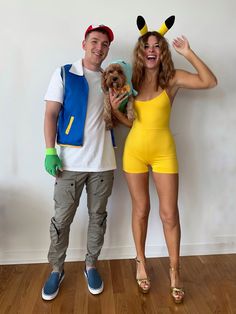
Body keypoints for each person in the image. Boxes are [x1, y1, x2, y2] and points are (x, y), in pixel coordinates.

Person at [110, 17, 217, 303]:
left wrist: (189, 52)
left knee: (169, 215)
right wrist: (114, 109)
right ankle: (141, 263)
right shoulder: (130, 79)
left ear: (163, 51)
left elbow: (210, 81)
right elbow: (126, 123)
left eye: (157, 46)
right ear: (140, 51)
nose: (151, 50)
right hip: (134, 151)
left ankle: (174, 270)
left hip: (164, 152)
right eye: (147, 45)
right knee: (141, 210)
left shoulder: (172, 78)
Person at [42, 24, 116, 300]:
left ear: (108, 50)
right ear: (84, 43)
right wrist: (50, 151)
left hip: (103, 164)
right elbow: (51, 113)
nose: (99, 47)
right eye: (95, 41)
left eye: (105, 44)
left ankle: (91, 265)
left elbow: (120, 116)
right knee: (61, 219)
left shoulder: (112, 78)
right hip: (69, 164)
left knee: (98, 217)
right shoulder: (65, 73)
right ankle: (56, 269)